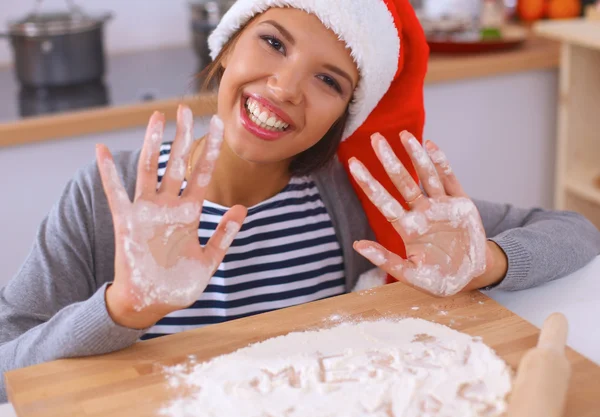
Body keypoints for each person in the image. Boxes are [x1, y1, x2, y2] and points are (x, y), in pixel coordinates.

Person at [1, 0, 599, 402]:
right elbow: (8, 370)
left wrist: (486, 262)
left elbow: (577, 232)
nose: (285, 88)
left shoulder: (357, 197)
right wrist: (121, 309)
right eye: (272, 42)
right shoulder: (106, 202)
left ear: (345, 115)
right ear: (228, 45)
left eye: (329, 80)